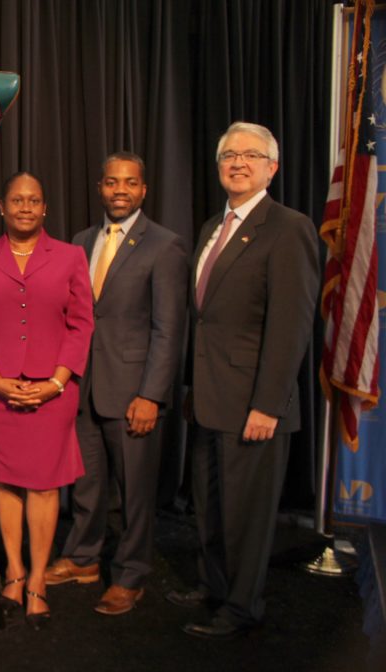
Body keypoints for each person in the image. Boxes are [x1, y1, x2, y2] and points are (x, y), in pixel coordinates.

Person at [167, 122, 319, 639]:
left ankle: (242, 606)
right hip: (209, 399)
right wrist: (191, 387)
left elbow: (290, 325)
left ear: (271, 167)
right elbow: (206, 320)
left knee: (247, 516)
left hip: (255, 403)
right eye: (228, 155)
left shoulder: (288, 227)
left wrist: (268, 404)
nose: (237, 162)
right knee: (210, 510)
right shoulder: (214, 224)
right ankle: (215, 587)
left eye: (251, 155)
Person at [46, 153, 188, 615]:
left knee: (135, 491)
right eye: (111, 182)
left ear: (144, 190)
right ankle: (85, 558)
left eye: (129, 182)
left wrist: (151, 395)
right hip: (82, 388)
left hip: (133, 393)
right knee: (86, 484)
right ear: (101, 187)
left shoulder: (164, 246)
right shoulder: (80, 242)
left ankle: (130, 574)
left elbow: (169, 329)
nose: (119, 190)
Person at [0, 171, 94, 627]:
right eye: (16, 199)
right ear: (1, 207)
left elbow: (81, 324)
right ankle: (13, 570)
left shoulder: (72, 257)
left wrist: (57, 382)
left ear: (45, 209)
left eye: (33, 200)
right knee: (6, 479)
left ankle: (37, 577)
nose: (24, 207)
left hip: (52, 393)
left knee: (43, 482)